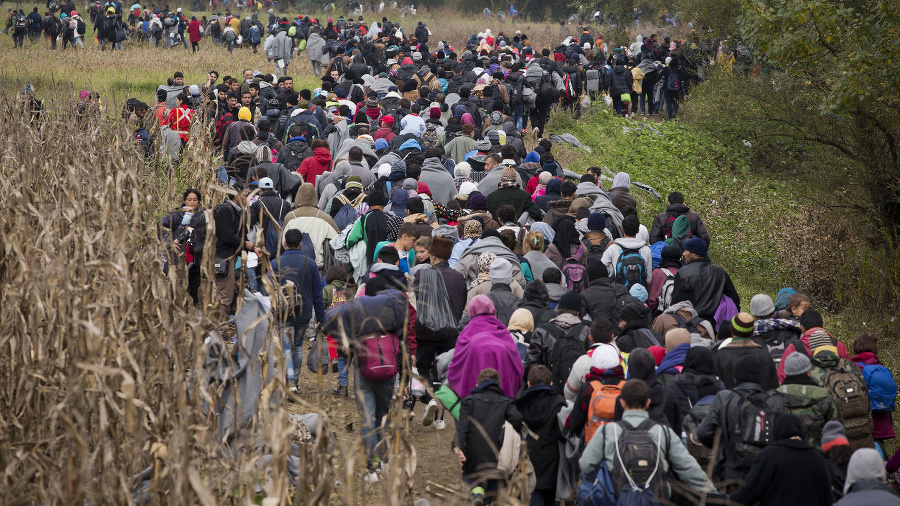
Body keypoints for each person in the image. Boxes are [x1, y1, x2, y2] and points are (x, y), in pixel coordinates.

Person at [579, 379, 715, 500]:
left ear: (622, 402)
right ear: (648, 402)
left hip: (618, 499)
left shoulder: (607, 432)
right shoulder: (664, 433)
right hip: (656, 499)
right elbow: (689, 469)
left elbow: (585, 464)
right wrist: (714, 493)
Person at [697, 355, 785, 485]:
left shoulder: (724, 398)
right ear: (760, 378)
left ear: (735, 378)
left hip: (731, 474)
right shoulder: (774, 402)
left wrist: (725, 444)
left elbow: (704, 432)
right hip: (766, 475)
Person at [452, 367, 523, 506]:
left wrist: (457, 447)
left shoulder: (468, 401)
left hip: (473, 455)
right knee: (494, 485)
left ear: (477, 385)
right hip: (497, 454)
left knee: (470, 475)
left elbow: (462, 427)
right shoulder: (506, 402)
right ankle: (489, 499)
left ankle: (477, 491)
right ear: (498, 385)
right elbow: (517, 420)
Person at [729, 413, 833, 506]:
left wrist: (717, 499)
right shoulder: (816, 457)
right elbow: (827, 498)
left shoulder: (769, 456)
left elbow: (747, 495)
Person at [271, 229, 325, 392]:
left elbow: (269, 289)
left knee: (286, 346)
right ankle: (294, 381)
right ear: (301, 244)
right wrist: (320, 317)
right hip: (304, 311)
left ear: (285, 243)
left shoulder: (275, 263)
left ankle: (290, 381)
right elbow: (318, 294)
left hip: (283, 312)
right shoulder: (311, 264)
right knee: (299, 346)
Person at [448, 295, 524, 399]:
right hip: (503, 403)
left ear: (471, 311)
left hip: (473, 402)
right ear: (492, 310)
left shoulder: (466, 334)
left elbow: (455, 366)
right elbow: (517, 366)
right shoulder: (503, 332)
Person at [514, 365, 565, 506]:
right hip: (552, 464)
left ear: (528, 383)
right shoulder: (559, 404)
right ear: (551, 383)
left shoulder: (518, 407)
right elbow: (564, 434)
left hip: (527, 464)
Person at [776, 352, 841, 447]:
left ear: (786, 372)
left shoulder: (775, 396)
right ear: (809, 372)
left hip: (783, 456)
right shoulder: (824, 395)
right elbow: (836, 428)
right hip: (818, 456)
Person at [673, 237, 740, 323]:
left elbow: (675, 302)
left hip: (689, 322)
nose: (683, 254)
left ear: (695, 254)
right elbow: (734, 298)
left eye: (686, 250)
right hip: (713, 322)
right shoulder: (720, 273)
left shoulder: (682, 273)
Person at [213, 184, 253, 319]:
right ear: (236, 196)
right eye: (245, 195)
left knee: (228, 294)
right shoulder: (224, 211)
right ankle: (220, 330)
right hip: (224, 258)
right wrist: (246, 245)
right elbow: (227, 236)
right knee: (225, 295)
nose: (247, 198)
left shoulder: (240, 212)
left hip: (233, 258)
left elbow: (241, 235)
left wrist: (252, 248)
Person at [715, 313, 779, 391]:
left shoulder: (721, 355)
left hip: (730, 402)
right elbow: (774, 385)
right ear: (752, 331)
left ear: (732, 329)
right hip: (761, 401)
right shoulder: (764, 354)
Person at [600, 215, 652, 289]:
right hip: (639, 296)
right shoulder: (646, 250)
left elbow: (602, 270)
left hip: (619, 293)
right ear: (638, 231)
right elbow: (648, 280)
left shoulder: (613, 248)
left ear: (622, 230)